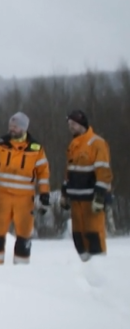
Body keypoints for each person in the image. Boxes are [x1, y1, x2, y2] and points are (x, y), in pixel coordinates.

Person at [0, 111, 51, 265]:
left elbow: (43, 174)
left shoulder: (36, 149)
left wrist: (44, 195)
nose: (12, 129)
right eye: (10, 126)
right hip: (2, 197)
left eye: (15, 127)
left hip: (24, 199)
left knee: (24, 236)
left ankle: (20, 273)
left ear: (24, 129)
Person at [61, 109, 112, 261]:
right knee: (78, 236)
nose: (71, 127)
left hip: (92, 200)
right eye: (69, 124)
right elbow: (68, 172)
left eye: (74, 124)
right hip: (76, 200)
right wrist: (64, 194)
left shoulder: (97, 143)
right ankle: (84, 269)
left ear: (82, 124)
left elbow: (103, 171)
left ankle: (99, 269)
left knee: (94, 234)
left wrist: (100, 196)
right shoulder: (73, 145)